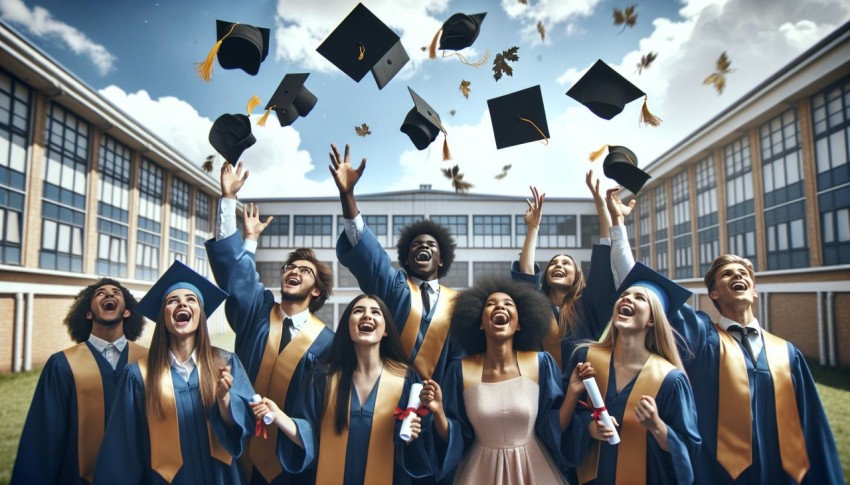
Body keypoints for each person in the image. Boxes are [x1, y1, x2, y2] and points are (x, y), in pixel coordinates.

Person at [606, 191, 844, 484]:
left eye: (744, 273)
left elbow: (814, 429)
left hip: (781, 475)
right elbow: (640, 290)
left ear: (754, 290)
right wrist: (617, 225)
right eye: (727, 274)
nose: (738, 276)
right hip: (715, 474)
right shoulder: (701, 337)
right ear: (714, 293)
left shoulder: (788, 354)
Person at [205, 161, 335, 484]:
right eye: (290, 266)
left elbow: (322, 412)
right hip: (237, 449)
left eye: (304, 270)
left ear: (317, 290)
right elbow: (237, 279)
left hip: (289, 465)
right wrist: (228, 204)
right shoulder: (260, 312)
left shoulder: (328, 343)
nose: (293, 271)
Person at [93, 261, 255, 484]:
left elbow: (244, 429)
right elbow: (123, 450)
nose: (182, 304)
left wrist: (224, 399)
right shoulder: (138, 376)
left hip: (221, 477)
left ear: (200, 313)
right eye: (172, 301)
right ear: (163, 316)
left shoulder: (225, 363)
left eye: (191, 300)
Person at [252, 294, 432, 484]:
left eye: (375, 312)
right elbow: (310, 438)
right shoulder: (323, 377)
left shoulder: (406, 380)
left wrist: (412, 437)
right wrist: (280, 417)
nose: (367, 316)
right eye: (358, 311)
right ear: (348, 326)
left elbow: (418, 450)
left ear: (386, 329)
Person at [423, 277, 577, 484]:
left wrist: (574, 393)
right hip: (480, 472)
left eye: (508, 304)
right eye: (491, 304)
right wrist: (439, 411)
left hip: (534, 470)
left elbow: (552, 428)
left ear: (520, 323)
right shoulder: (460, 371)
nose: (500, 307)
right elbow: (455, 438)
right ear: (479, 322)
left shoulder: (541, 364)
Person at [331, 143, 458, 383]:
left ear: (441, 259)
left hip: (434, 402)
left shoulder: (457, 303)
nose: (423, 247)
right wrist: (347, 195)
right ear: (407, 259)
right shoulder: (393, 284)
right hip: (385, 393)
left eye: (431, 245)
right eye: (415, 246)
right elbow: (367, 251)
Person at [567, 262, 702, 485]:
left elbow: (688, 448)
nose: (627, 299)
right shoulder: (586, 358)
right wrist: (590, 427)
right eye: (624, 295)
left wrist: (657, 426)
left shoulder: (669, 379)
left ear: (652, 319)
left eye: (640, 298)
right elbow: (562, 415)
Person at [12, 278, 146, 485]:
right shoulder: (63, 364)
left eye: (116, 292)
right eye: (100, 293)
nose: (109, 294)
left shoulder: (148, 361)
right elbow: (44, 438)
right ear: (88, 313)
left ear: (127, 312)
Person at [511, 172, 626, 373]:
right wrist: (533, 228)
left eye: (567, 263)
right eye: (554, 263)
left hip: (587, 387)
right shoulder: (538, 304)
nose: (559, 266)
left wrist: (600, 203)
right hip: (543, 389)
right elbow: (526, 273)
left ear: (577, 276)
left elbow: (604, 251)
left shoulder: (588, 304)